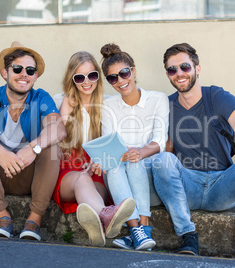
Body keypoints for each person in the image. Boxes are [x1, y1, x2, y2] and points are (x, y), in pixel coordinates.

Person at [152, 43, 235, 259]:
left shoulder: (217, 97)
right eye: (172, 70)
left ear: (197, 68)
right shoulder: (165, 105)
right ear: (168, 75)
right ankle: (188, 236)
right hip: (188, 188)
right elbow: (165, 150)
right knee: (162, 160)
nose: (179, 74)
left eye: (185, 67)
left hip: (221, 186)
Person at [0, 41, 66, 241]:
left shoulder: (40, 98)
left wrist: (33, 147)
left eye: (30, 70)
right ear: (5, 73)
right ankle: (3, 218)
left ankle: (34, 221)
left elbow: (58, 128)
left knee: (51, 147)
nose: (23, 74)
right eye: (17, 68)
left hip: (29, 175)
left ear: (35, 76)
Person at [51, 51, 135, 247]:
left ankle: (98, 224)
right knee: (81, 179)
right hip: (67, 170)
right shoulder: (58, 101)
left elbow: (114, 141)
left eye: (92, 75)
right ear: (71, 79)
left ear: (98, 76)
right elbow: (55, 141)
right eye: (79, 77)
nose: (86, 82)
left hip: (96, 169)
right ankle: (107, 216)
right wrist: (65, 112)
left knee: (92, 189)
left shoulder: (108, 103)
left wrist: (102, 160)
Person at [100, 43, 169, 251]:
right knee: (116, 164)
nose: (121, 80)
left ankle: (137, 232)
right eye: (113, 78)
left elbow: (160, 141)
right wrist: (127, 153)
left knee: (135, 161)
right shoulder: (108, 106)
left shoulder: (158, 99)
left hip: (149, 183)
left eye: (124, 73)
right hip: (118, 178)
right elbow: (108, 143)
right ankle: (138, 229)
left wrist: (138, 152)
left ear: (133, 71)